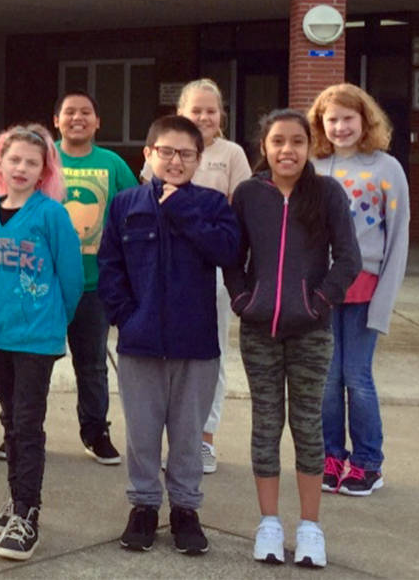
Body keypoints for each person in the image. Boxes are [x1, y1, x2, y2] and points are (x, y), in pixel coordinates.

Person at [225, 109, 361, 568]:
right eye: (278, 141)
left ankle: (310, 527)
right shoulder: (248, 194)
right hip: (259, 329)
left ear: (310, 146)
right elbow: (232, 256)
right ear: (264, 147)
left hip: (311, 332)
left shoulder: (326, 193)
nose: (288, 150)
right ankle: (268, 523)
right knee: (265, 425)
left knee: (307, 426)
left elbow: (348, 259)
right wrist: (243, 298)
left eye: (298, 141)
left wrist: (318, 302)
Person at [101, 116, 241, 556]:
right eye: (166, 151)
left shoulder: (214, 205)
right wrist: (126, 315)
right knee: (142, 433)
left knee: (187, 435)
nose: (175, 160)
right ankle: (143, 506)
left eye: (186, 154)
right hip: (140, 340)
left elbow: (228, 251)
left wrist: (181, 209)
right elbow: (110, 267)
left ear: (199, 159)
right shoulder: (124, 204)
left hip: (195, 343)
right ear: (148, 155)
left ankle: (185, 509)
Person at [0, 124, 82, 561]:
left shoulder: (51, 214)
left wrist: (55, 321)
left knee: (27, 423)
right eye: (14, 159)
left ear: (44, 170)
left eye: (31, 162)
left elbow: (72, 278)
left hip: (38, 337)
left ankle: (28, 513)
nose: (21, 168)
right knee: (8, 421)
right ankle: (15, 499)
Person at [140, 79, 251, 473]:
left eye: (211, 110)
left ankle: (204, 437)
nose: (203, 117)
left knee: (210, 356)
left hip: (211, 271)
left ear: (222, 115)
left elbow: (241, 212)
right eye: (195, 110)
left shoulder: (232, 154)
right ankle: (161, 439)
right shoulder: (166, 149)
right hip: (164, 269)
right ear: (180, 113)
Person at [308, 84, 410, 498]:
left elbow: (397, 237)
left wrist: (384, 302)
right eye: (331, 119)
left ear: (365, 120)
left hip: (366, 289)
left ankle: (368, 462)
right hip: (322, 290)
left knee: (357, 377)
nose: (340, 126)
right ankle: (331, 456)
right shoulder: (314, 167)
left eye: (348, 118)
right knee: (328, 379)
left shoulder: (387, 169)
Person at [53, 90, 138, 463]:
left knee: (91, 364)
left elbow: (134, 215)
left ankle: (95, 432)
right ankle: (20, 432)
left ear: (97, 121)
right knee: (33, 362)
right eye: (69, 112)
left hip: (95, 284)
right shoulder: (44, 158)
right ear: (56, 120)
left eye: (85, 112)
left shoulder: (113, 163)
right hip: (45, 283)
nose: (77, 118)